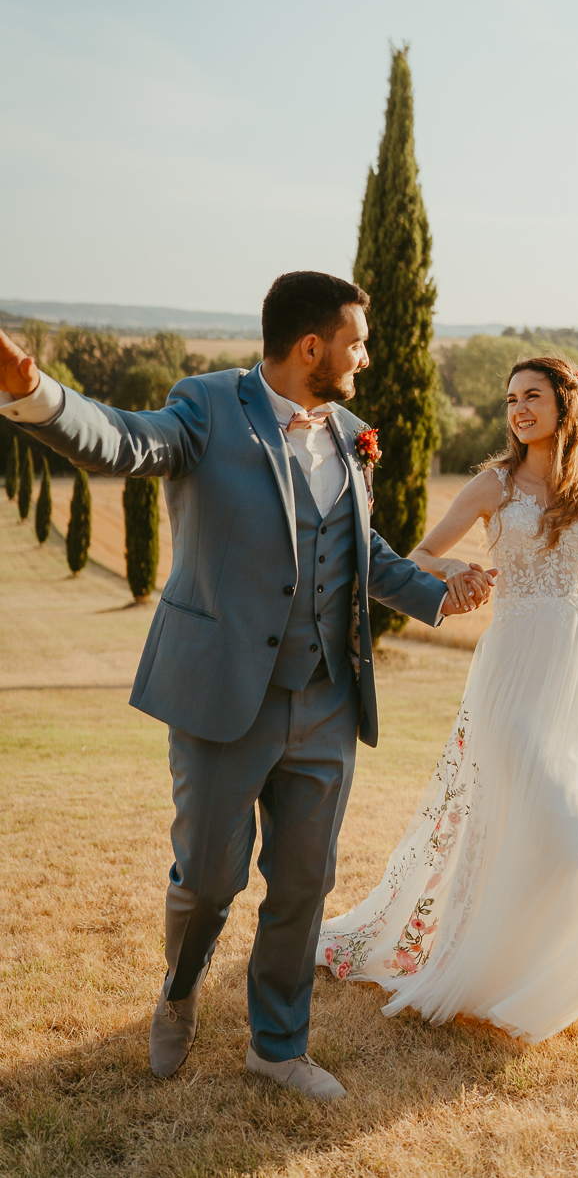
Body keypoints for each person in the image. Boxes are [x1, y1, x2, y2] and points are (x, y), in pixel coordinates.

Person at [0, 272, 490, 1100]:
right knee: (208, 881)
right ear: (312, 347)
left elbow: (359, 549)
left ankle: (277, 1043)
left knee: (304, 881)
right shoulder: (205, 405)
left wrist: (437, 589)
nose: (364, 357)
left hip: (329, 700)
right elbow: (121, 440)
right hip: (223, 694)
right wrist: (35, 392)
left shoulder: (349, 433)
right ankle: (181, 988)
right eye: (356, 343)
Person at [317, 353, 578, 1041]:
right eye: (510, 396)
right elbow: (421, 553)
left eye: (532, 395)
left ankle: (525, 970)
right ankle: (480, 960)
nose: (517, 407)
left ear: (564, 404)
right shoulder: (492, 484)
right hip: (510, 668)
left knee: (553, 824)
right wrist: (460, 569)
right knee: (548, 826)